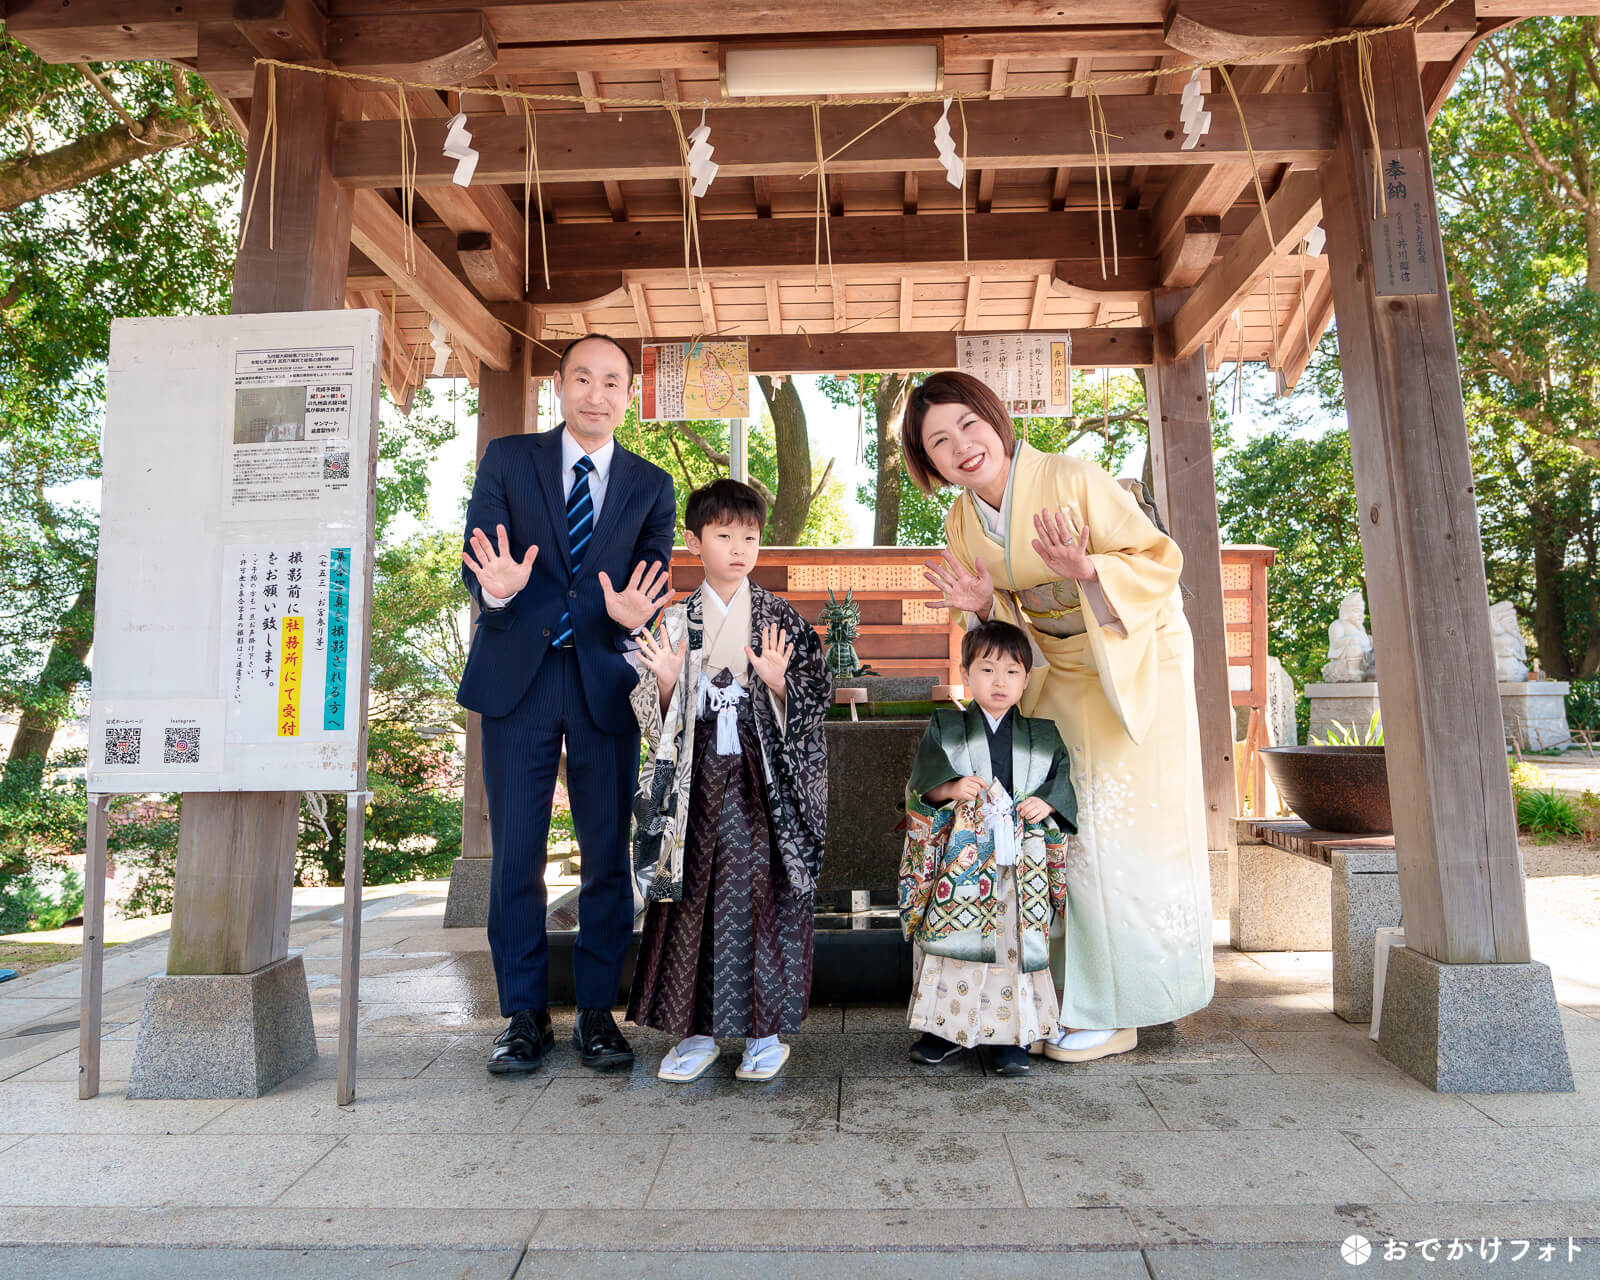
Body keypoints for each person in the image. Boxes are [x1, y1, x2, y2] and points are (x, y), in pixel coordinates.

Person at [910, 370, 1214, 1063]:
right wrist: (988, 606)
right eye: (939, 441)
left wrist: (1085, 571)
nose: (962, 446)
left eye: (969, 424)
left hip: (1129, 661)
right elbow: (994, 632)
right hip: (1052, 670)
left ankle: (1121, 1009)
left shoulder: (1073, 477)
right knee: (1062, 831)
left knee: (1114, 835)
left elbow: (1157, 562)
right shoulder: (962, 520)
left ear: (995, 418)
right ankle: (1068, 1001)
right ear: (929, 463)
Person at [458, 333, 676, 1075]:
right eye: (583, 377)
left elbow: (651, 583)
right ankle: (521, 1015)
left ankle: (595, 1013)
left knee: (607, 853)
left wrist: (631, 618)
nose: (597, 393)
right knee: (515, 854)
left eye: (612, 381)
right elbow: (479, 555)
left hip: (600, 680)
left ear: (629, 395)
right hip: (516, 677)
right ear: (560, 385)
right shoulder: (509, 460)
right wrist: (497, 589)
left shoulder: (650, 485)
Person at [626, 479, 832, 1083]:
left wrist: (777, 683)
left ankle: (765, 1035)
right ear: (693, 542)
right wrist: (666, 681)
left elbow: (814, 702)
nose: (739, 547)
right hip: (694, 784)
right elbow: (651, 717)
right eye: (724, 535)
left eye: (750, 536)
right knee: (690, 901)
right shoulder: (672, 621)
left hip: (759, 778)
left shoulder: (779, 618)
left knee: (764, 901)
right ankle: (695, 1034)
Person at [899, 620, 1077, 1076]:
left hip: (1020, 860)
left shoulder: (1044, 734)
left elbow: (1060, 788)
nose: (999, 682)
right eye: (987, 669)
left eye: (1012, 672)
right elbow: (922, 789)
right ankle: (942, 1031)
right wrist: (952, 787)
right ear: (966, 672)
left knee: (1012, 943)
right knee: (954, 940)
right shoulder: (947, 725)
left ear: (1027, 678)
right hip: (962, 861)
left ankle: (1010, 1038)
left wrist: (1045, 803)